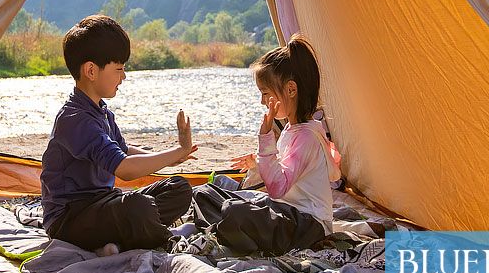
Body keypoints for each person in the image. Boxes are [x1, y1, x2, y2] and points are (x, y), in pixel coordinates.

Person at [40, 14, 196, 254]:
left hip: (103, 204)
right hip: (69, 219)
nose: (123, 77)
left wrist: (173, 157)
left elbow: (123, 150)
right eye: (119, 69)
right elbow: (125, 169)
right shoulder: (74, 119)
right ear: (91, 70)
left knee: (179, 188)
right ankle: (165, 239)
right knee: (137, 206)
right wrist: (177, 151)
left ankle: (117, 244)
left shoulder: (101, 112)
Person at [191, 35, 341, 254]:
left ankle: (219, 233)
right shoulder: (294, 129)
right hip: (286, 213)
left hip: (308, 226)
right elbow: (282, 170)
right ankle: (221, 231)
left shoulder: (307, 136)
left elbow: (278, 187)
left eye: (265, 94)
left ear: (291, 89)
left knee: (235, 211)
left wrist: (266, 137)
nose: (262, 102)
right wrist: (258, 163)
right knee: (204, 193)